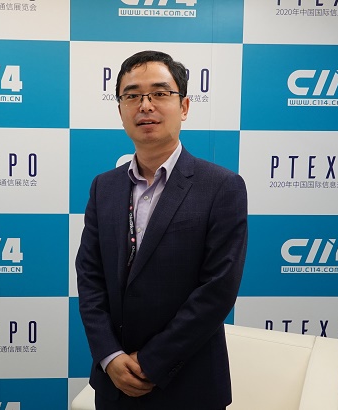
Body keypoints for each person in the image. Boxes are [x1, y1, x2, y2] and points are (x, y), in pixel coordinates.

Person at [75, 50, 249, 410]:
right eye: (132, 95)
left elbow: (218, 290)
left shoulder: (221, 186)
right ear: (120, 110)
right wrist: (109, 356)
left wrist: (151, 362)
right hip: (114, 385)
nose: (145, 105)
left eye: (159, 93)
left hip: (189, 385)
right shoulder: (103, 187)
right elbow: (90, 277)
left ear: (184, 106)